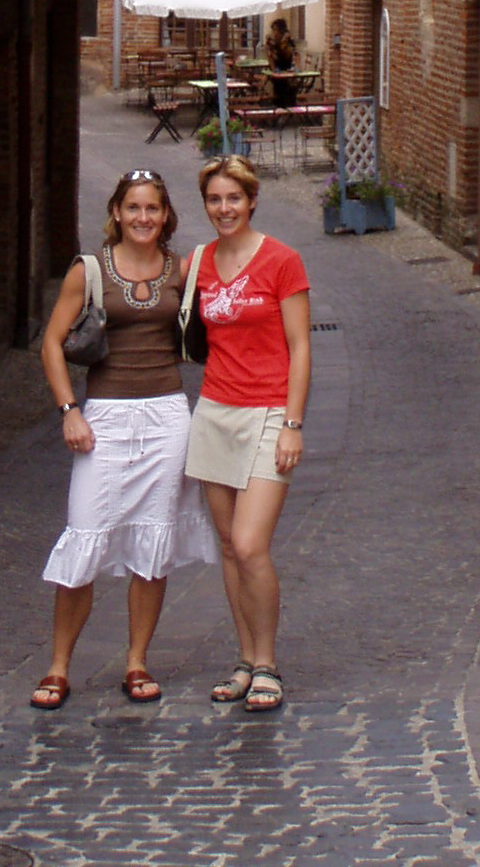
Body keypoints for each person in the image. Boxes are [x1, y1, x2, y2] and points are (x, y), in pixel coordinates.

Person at [32, 168, 216, 710]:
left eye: (153, 209)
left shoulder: (181, 272)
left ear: (166, 217)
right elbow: (51, 342)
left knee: (152, 545)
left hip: (165, 417)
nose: (143, 218)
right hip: (105, 417)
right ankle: (59, 665)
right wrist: (69, 410)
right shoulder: (89, 270)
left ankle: (137, 660)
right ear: (116, 212)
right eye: (133, 208)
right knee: (86, 535)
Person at [183, 153, 311, 714]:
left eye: (234, 198)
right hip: (214, 411)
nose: (224, 208)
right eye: (215, 199)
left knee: (252, 544)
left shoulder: (282, 261)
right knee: (229, 550)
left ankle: (267, 663)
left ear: (252, 200)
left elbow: (301, 347)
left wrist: (292, 423)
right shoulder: (198, 264)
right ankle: (242, 660)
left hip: (267, 413)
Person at [264, 16, 298, 107]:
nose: (275, 33)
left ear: (282, 31)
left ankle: (289, 109)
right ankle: (279, 110)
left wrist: (294, 67)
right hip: (276, 69)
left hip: (287, 67)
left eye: (277, 30)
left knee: (288, 89)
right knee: (278, 89)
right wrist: (274, 70)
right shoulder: (271, 41)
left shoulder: (288, 40)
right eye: (273, 30)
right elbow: (270, 56)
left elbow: (293, 54)